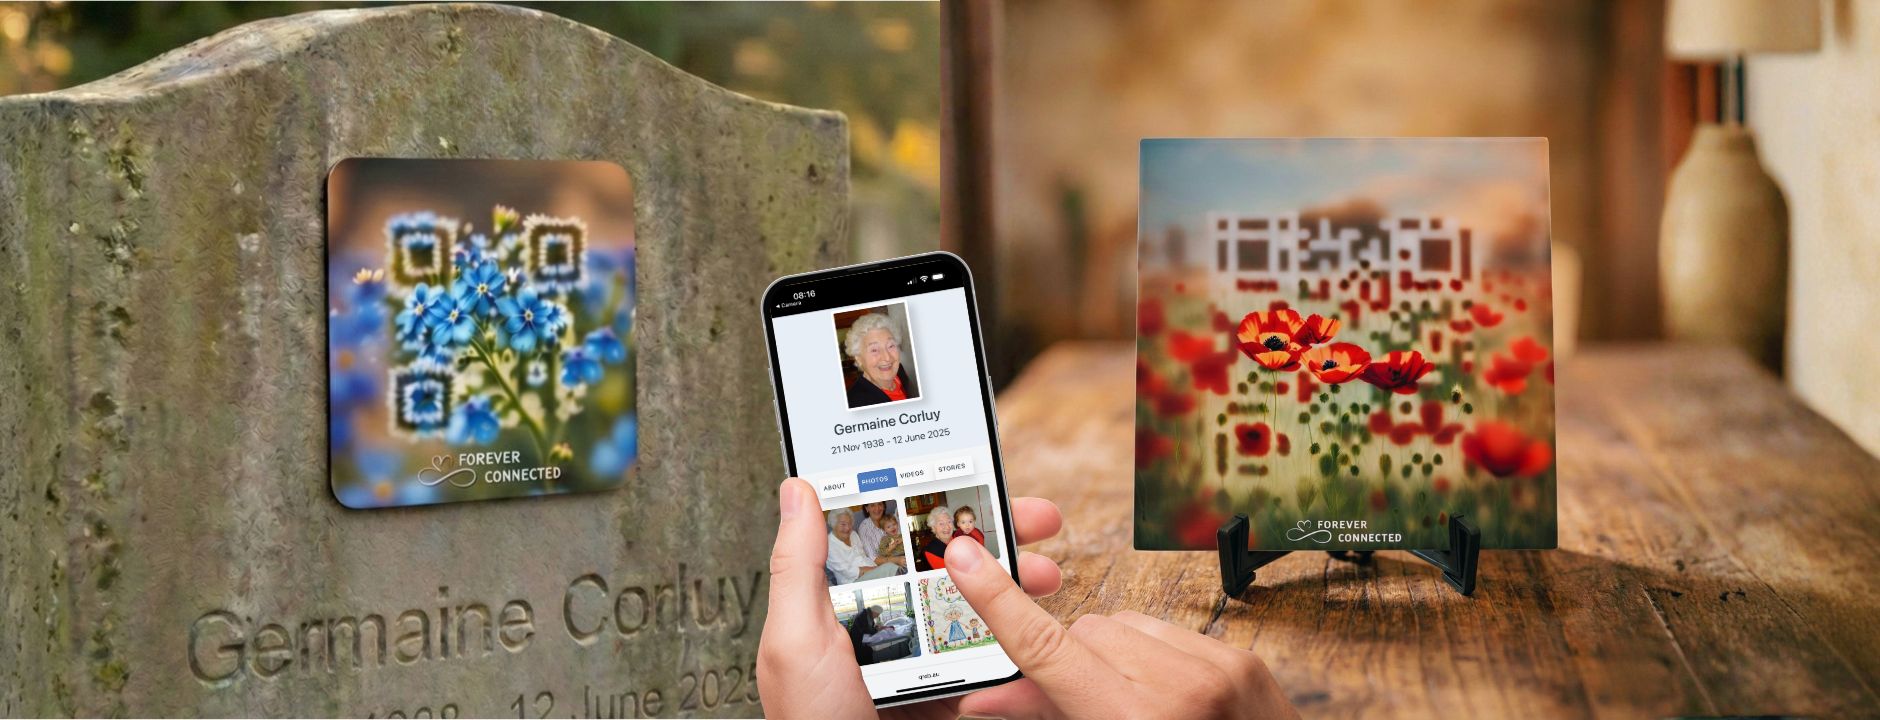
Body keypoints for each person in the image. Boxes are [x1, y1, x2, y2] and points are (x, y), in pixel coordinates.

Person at [760, 477, 1298, 719]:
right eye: (947, 518)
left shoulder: (955, 545)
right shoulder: (915, 546)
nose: (953, 523)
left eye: (959, 518)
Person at [843, 312, 919, 408]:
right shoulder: (855, 403)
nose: (887, 358)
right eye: (874, 350)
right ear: (858, 358)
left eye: (891, 346)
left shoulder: (900, 371)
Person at [825, 510, 903, 585]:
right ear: (834, 524)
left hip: (871, 570)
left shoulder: (853, 534)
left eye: (849, 523)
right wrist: (877, 569)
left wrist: (876, 568)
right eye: (843, 524)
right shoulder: (829, 545)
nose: (848, 528)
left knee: (894, 567)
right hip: (853, 581)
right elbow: (849, 572)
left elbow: (863, 556)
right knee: (889, 567)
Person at [920, 505, 955, 571]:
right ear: (933, 528)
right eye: (941, 523)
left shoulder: (959, 539)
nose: (947, 527)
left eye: (949, 522)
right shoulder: (930, 551)